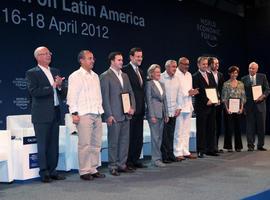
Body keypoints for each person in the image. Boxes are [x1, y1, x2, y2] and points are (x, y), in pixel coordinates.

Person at [26, 46, 66, 183]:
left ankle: (53, 170)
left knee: (53, 143)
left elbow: (62, 93)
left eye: (49, 53)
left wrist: (60, 86)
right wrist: (53, 86)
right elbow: (34, 92)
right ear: (38, 57)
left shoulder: (55, 71)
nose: (49, 55)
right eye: (45, 54)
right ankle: (44, 172)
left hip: (55, 111)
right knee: (42, 144)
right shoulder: (32, 73)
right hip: (41, 114)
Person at [67, 50, 105, 181]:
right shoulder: (75, 76)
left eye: (93, 58)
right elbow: (72, 96)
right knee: (85, 144)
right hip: (83, 114)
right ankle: (84, 171)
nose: (92, 60)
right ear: (81, 60)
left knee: (96, 143)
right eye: (89, 58)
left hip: (97, 113)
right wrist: (74, 113)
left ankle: (93, 168)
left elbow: (98, 95)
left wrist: (100, 110)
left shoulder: (95, 76)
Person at [100, 52, 136, 176]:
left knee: (125, 141)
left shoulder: (125, 75)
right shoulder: (105, 76)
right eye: (119, 60)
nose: (121, 62)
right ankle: (113, 166)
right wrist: (108, 115)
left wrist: (132, 107)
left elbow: (130, 92)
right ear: (112, 61)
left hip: (126, 114)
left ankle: (122, 164)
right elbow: (105, 98)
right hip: (114, 115)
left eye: (122, 60)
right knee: (114, 142)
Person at [122, 47, 147, 169]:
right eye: (137, 56)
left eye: (141, 56)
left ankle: (135, 159)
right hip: (131, 109)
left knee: (138, 136)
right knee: (130, 136)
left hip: (140, 109)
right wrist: (128, 107)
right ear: (131, 57)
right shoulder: (125, 70)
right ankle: (128, 161)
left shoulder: (141, 72)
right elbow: (125, 91)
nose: (140, 58)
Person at [192, 56, 218, 158]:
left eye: (206, 64)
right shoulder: (195, 76)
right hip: (202, 106)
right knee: (201, 129)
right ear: (198, 65)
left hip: (212, 107)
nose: (205, 66)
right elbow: (197, 91)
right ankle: (201, 150)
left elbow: (214, 88)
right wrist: (206, 100)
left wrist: (216, 99)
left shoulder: (210, 74)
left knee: (211, 128)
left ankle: (210, 149)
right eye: (203, 64)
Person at [241, 62, 270, 151]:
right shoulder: (243, 79)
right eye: (250, 68)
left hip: (260, 106)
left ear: (257, 69)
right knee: (250, 127)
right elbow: (242, 94)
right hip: (249, 106)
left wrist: (262, 96)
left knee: (261, 126)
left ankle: (260, 145)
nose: (251, 70)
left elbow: (267, 89)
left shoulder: (262, 76)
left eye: (253, 68)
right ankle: (250, 145)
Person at [174, 57, 198, 161]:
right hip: (179, 106)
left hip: (188, 105)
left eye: (188, 64)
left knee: (186, 131)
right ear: (179, 64)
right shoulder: (175, 74)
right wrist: (188, 93)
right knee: (178, 131)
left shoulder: (189, 75)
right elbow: (176, 91)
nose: (186, 66)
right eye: (184, 64)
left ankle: (185, 151)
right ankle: (177, 152)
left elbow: (189, 89)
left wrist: (193, 91)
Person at [145, 64, 169, 167]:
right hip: (154, 114)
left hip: (162, 114)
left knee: (159, 138)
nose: (159, 74)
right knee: (155, 138)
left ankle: (157, 158)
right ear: (151, 73)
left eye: (159, 72)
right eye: (156, 72)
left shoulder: (162, 84)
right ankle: (155, 159)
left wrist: (166, 114)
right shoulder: (149, 84)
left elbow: (165, 100)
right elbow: (148, 100)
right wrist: (152, 115)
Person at [160, 60, 181, 163]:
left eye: (175, 66)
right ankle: (165, 156)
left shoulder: (177, 78)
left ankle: (171, 154)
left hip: (174, 111)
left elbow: (179, 94)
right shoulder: (161, 78)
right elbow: (161, 97)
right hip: (165, 112)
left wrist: (179, 107)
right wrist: (164, 112)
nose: (175, 68)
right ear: (167, 67)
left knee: (171, 134)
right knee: (165, 135)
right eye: (173, 67)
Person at [222, 66, 246, 152]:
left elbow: (243, 97)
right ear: (229, 73)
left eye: (236, 73)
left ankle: (238, 146)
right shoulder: (226, 84)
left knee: (238, 128)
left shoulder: (241, 84)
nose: (234, 74)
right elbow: (224, 98)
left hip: (238, 109)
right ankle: (228, 146)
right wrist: (227, 109)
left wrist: (241, 108)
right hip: (229, 110)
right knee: (229, 128)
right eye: (232, 73)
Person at [208, 57, 225, 153]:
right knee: (211, 126)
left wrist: (220, 100)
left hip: (219, 104)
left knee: (218, 125)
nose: (217, 65)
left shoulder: (220, 75)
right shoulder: (207, 74)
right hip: (210, 104)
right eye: (215, 63)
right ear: (210, 64)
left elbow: (221, 90)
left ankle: (216, 146)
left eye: (218, 63)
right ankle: (210, 147)